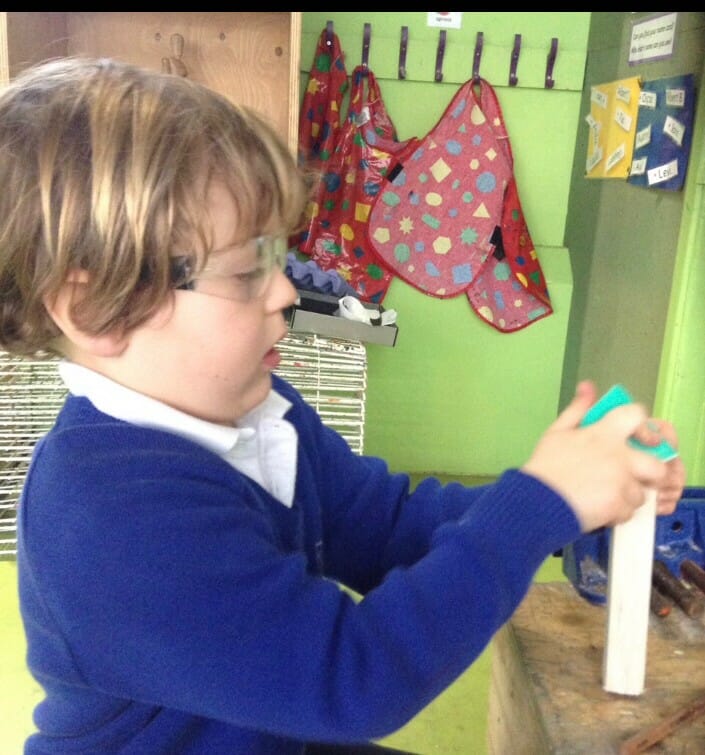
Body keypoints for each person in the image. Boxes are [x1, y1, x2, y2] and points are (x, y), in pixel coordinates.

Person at [0, 57, 685, 755]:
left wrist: (573, 502)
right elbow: (353, 678)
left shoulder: (260, 412)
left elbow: (391, 527)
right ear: (94, 308)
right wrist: (541, 502)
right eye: (244, 271)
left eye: (277, 257)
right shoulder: (108, 513)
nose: (285, 293)